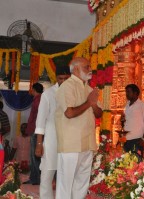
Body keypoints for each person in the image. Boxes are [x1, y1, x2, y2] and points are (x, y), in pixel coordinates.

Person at [55, 57, 102, 199]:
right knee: (66, 183)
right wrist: (89, 102)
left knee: (82, 182)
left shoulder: (89, 88)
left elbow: (99, 113)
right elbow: (69, 113)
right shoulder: (67, 87)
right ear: (76, 69)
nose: (90, 70)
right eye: (87, 67)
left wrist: (93, 104)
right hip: (71, 143)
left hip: (87, 143)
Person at [34, 65, 71, 199]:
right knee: (46, 175)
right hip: (51, 141)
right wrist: (39, 144)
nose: (63, 81)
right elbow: (40, 121)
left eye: (66, 78)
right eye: (61, 78)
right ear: (56, 78)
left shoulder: (74, 93)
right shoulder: (48, 94)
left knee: (65, 177)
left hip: (68, 142)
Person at [123, 84, 144, 158]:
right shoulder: (127, 105)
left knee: (136, 164)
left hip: (137, 140)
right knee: (125, 163)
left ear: (135, 93)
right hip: (126, 139)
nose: (127, 94)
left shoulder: (142, 106)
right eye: (126, 92)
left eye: (128, 92)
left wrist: (143, 139)